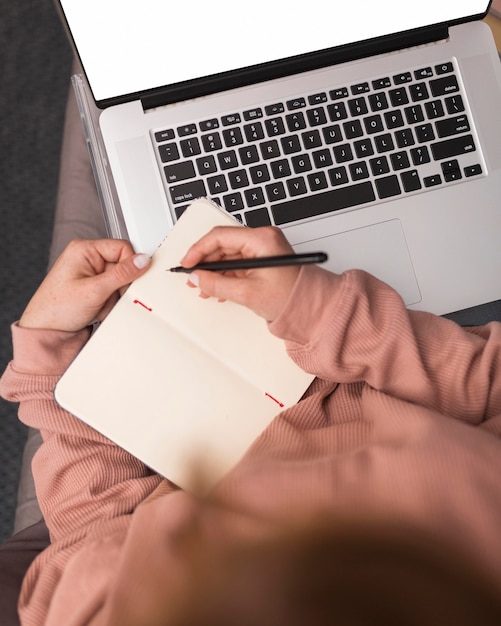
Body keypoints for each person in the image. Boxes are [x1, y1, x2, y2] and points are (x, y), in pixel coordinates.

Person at [2, 224, 501, 626]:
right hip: (378, 353)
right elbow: (486, 384)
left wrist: (49, 350)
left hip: (162, 415)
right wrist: (321, 311)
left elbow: (92, 535)